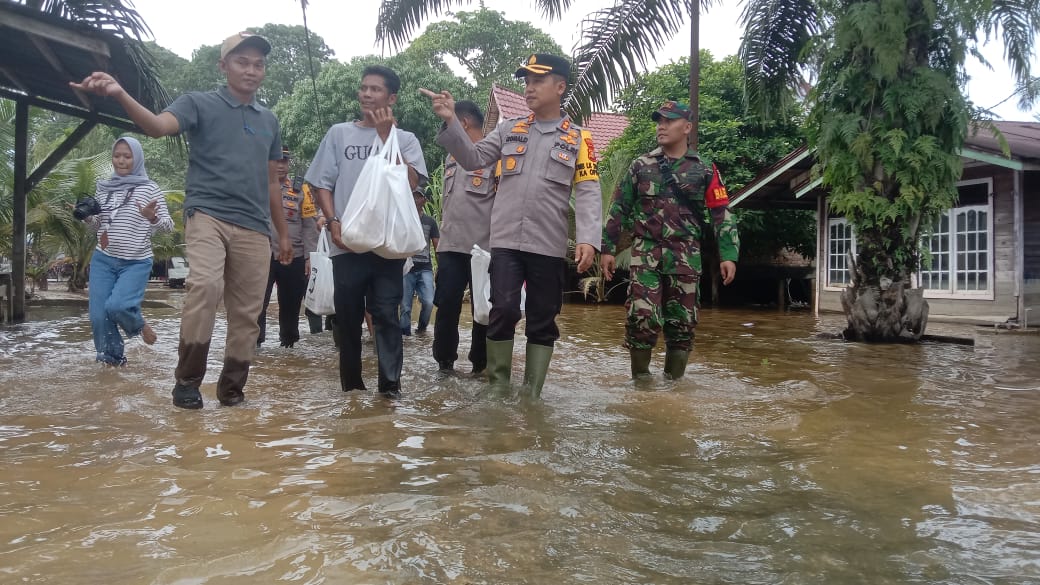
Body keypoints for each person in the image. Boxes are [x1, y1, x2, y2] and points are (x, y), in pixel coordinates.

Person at [72, 31, 292, 409]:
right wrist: (120, 93)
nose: (251, 70)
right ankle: (187, 382)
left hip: (255, 226)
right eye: (242, 62)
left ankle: (232, 391)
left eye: (258, 64)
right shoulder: (199, 104)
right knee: (204, 287)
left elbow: (273, 181)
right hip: (207, 214)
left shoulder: (268, 121)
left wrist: (283, 234)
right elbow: (157, 127)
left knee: (248, 313)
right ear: (223, 66)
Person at [421, 53, 602, 398]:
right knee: (501, 309)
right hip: (504, 242)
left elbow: (589, 189)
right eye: (526, 82)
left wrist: (590, 239)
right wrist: (451, 121)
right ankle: (498, 388)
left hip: (547, 244)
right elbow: (473, 159)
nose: (529, 88)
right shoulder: (509, 129)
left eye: (537, 81)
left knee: (542, 318)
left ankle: (532, 393)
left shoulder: (580, 139)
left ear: (560, 86)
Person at [305, 65, 427, 399]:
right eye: (363, 88)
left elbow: (413, 184)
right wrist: (333, 222)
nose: (367, 94)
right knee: (347, 318)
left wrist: (387, 136)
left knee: (387, 314)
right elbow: (321, 183)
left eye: (375, 89)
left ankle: (390, 390)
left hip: (388, 246)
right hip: (347, 243)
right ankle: (352, 389)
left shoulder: (406, 140)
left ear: (392, 97)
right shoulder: (339, 134)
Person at [600, 100, 739, 379]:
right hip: (646, 255)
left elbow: (722, 213)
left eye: (668, 121)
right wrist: (607, 248)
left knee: (682, 324)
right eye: (659, 121)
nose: (661, 126)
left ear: (686, 127)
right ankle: (641, 385)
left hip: (686, 258)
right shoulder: (641, 166)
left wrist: (729, 255)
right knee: (642, 318)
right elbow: (619, 208)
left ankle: (673, 389)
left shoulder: (705, 169)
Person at [83, 136, 173, 366]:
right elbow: (97, 225)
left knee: (118, 306)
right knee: (98, 316)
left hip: (135, 262)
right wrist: (86, 217)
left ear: (137, 158)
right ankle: (111, 363)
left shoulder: (149, 189)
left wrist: (152, 217)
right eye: (117, 156)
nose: (121, 161)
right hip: (103, 259)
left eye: (127, 156)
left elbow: (167, 227)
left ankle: (138, 324)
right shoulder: (103, 188)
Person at [430, 100, 496, 374]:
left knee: (483, 308)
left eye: (449, 122)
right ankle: (444, 363)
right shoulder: (451, 158)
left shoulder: (493, 156)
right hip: (450, 247)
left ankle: (480, 364)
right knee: (446, 306)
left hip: (483, 248)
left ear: (464, 123)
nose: (446, 129)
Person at [258, 147, 319, 348]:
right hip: (262, 254)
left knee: (291, 303)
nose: (281, 166)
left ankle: (288, 344)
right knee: (257, 301)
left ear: (289, 163)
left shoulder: (301, 189)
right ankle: (254, 343)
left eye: (284, 161)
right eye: (276, 161)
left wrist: (310, 257)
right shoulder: (257, 186)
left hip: (294, 254)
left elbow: (310, 224)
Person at [400, 187, 439, 336]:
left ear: (424, 200)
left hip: (425, 268)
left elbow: (436, 245)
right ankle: (405, 337)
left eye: (419, 196)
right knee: (405, 306)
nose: (416, 199)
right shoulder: (403, 219)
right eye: (413, 196)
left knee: (429, 302)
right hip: (406, 268)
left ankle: (421, 330)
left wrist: (440, 268)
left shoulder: (430, 222)